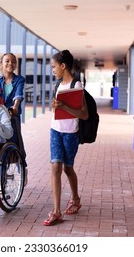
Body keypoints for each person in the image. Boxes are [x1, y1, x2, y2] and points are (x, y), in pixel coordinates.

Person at [43, 50, 89, 226]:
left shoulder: (77, 86)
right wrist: (56, 106)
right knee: (56, 166)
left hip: (71, 134)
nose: (53, 70)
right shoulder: (58, 85)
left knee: (68, 169)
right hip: (55, 130)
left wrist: (65, 106)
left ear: (63, 66)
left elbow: (84, 115)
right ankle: (56, 211)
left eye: (54, 67)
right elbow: (56, 109)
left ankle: (76, 199)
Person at [0, 53, 28, 185]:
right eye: (7, 61)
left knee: (16, 143)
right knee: (0, 143)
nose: (10, 64)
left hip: (13, 116)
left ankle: (22, 167)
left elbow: (18, 94)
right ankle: (2, 173)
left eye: (13, 62)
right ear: (1, 63)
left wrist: (15, 106)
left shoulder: (19, 80)